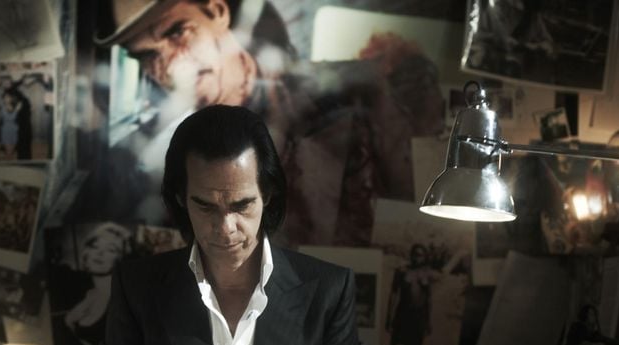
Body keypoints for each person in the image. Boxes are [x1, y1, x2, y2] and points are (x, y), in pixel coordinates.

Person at [79, 105, 378, 345]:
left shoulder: (327, 290)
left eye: (242, 205)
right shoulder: (138, 288)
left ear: (268, 194)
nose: (225, 228)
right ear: (180, 198)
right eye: (205, 207)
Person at [93, 0, 443, 247]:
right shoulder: (158, 165)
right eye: (148, 55)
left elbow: (417, 211)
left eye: (177, 32)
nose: (170, 67)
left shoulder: (354, 94)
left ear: (216, 12)